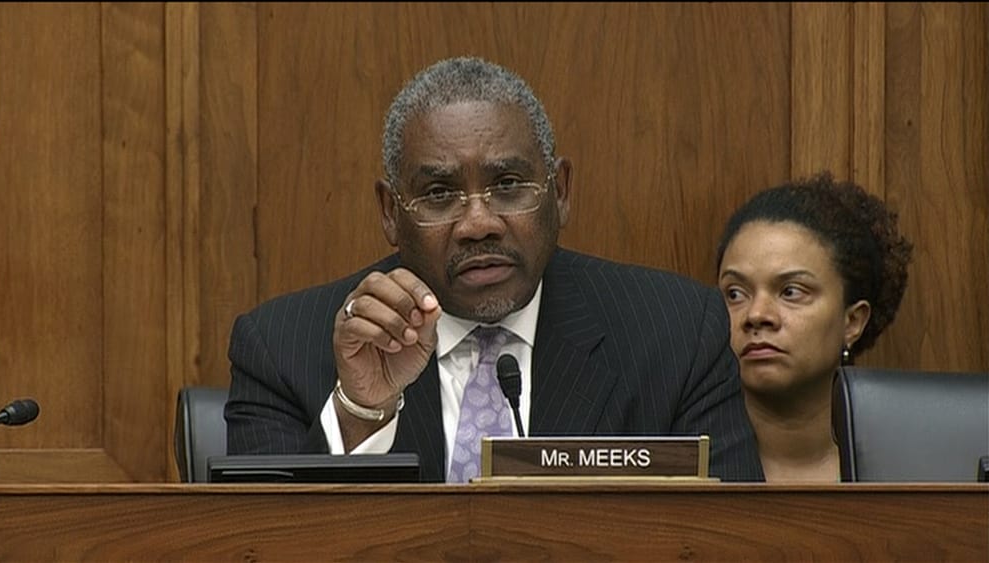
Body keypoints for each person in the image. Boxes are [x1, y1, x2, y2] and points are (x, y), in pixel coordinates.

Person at [226, 56, 764, 482]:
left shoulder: (677, 334)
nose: (477, 224)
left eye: (508, 186)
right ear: (391, 213)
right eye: (439, 193)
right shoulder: (282, 350)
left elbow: (729, 539)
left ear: (560, 192)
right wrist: (361, 412)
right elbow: (262, 544)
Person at [715, 171, 913, 482]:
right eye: (735, 294)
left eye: (791, 292)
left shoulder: (908, 470)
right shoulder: (684, 465)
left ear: (852, 321)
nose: (756, 314)